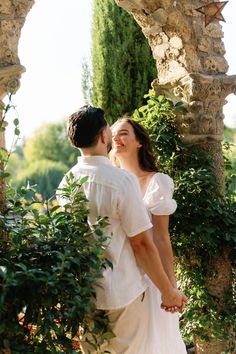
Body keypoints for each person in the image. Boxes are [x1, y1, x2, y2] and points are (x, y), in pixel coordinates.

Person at [58, 106, 185, 354]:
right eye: (111, 131)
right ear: (103, 137)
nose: (115, 137)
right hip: (124, 292)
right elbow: (142, 243)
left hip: (86, 293)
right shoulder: (119, 181)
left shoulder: (68, 181)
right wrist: (169, 292)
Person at [111, 117, 187, 354]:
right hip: (118, 279)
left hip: (150, 278)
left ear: (139, 142)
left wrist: (171, 288)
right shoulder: (111, 183)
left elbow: (161, 239)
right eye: (113, 134)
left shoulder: (157, 182)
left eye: (123, 133)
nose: (116, 138)